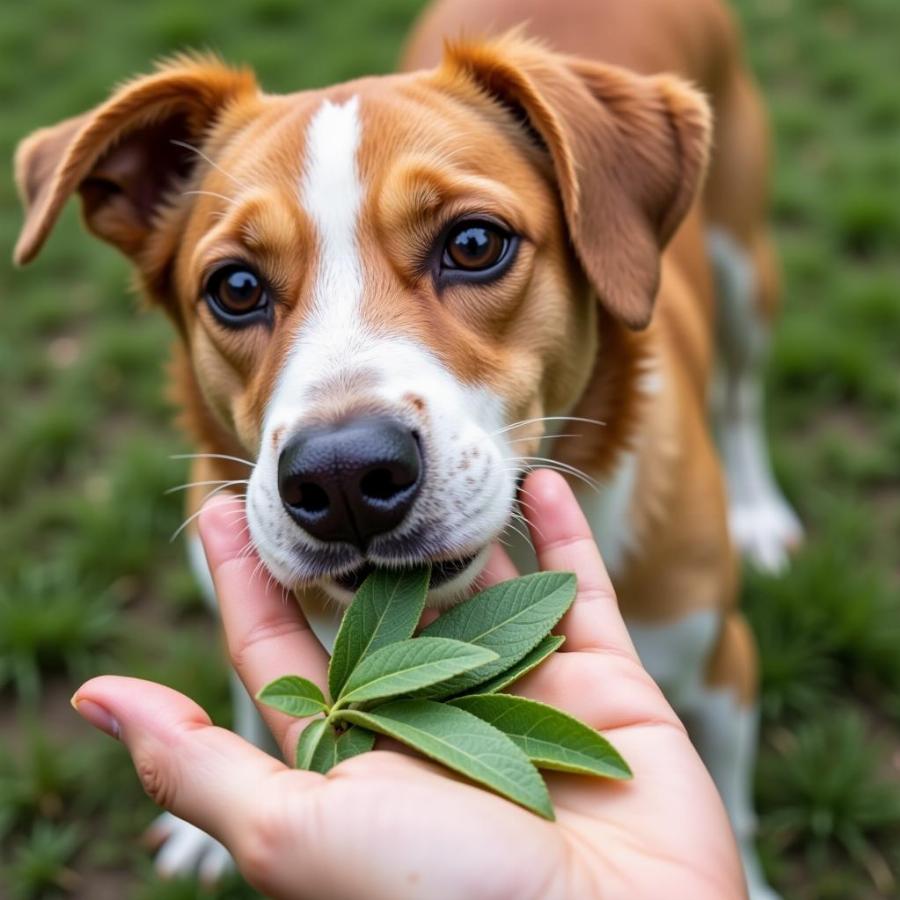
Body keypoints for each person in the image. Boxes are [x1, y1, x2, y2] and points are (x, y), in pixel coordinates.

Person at [72, 471, 747, 899]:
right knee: (261, 634)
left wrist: (730, 861)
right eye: (241, 291)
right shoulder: (229, 506)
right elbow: (258, 661)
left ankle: (745, 449)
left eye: (474, 242)